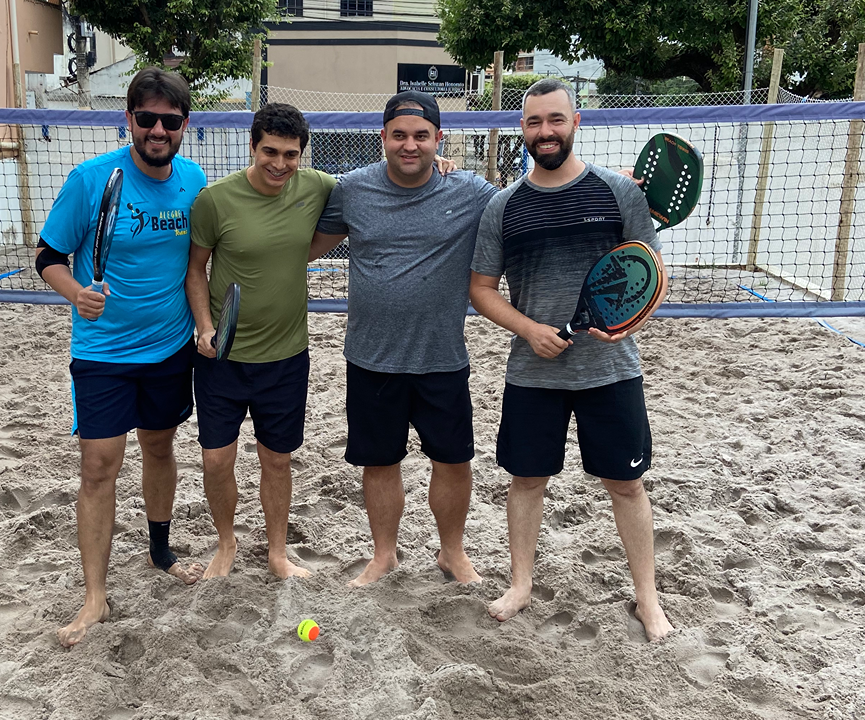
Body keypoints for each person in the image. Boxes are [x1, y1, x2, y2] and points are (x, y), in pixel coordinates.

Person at [468, 78, 675, 641]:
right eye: (535, 121)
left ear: (576, 122)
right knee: (527, 480)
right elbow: (481, 289)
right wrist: (529, 329)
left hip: (611, 369)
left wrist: (628, 322)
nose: (546, 131)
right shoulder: (503, 206)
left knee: (626, 485)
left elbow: (651, 273)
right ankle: (521, 585)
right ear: (522, 129)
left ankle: (648, 600)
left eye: (556, 119)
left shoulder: (619, 193)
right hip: (533, 371)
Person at [36, 67, 206, 647]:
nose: (158, 130)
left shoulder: (193, 179)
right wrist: (74, 292)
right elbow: (48, 256)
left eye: (169, 121)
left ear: (184, 124)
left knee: (159, 447)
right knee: (98, 467)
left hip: (169, 347)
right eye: (147, 118)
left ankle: (160, 552)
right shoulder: (91, 179)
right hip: (103, 352)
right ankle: (95, 597)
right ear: (128, 119)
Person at [310, 90, 496, 587]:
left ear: (439, 139)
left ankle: (452, 553)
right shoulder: (352, 189)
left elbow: (535, 198)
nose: (409, 145)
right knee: (379, 462)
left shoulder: (470, 191)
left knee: (453, 461)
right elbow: (304, 245)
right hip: (371, 357)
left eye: (420, 136)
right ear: (383, 138)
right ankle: (384, 555)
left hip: (442, 356)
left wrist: (614, 183)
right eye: (399, 135)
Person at [186, 103, 336, 580]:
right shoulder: (215, 200)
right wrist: (204, 327)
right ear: (252, 146)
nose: (279, 163)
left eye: (290, 154)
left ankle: (276, 553)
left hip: (286, 356)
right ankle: (226, 542)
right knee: (216, 460)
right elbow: (195, 270)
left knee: (277, 459)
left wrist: (442, 164)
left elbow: (376, 185)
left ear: (302, 155)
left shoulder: (317, 186)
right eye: (270, 151)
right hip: (222, 356)